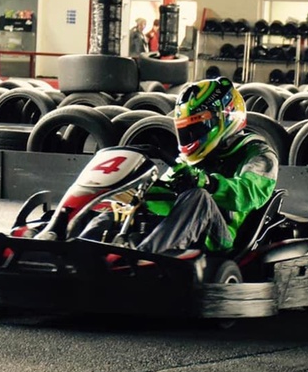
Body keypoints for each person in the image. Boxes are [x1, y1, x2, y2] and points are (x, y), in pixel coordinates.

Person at [80, 77, 279, 255]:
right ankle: (78, 247)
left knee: (199, 197)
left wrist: (207, 183)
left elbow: (246, 194)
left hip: (220, 237)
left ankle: (145, 258)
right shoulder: (193, 158)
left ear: (225, 116)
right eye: (186, 130)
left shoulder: (260, 154)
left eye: (196, 128)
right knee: (123, 203)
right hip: (181, 227)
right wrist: (137, 193)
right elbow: (166, 189)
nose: (190, 136)